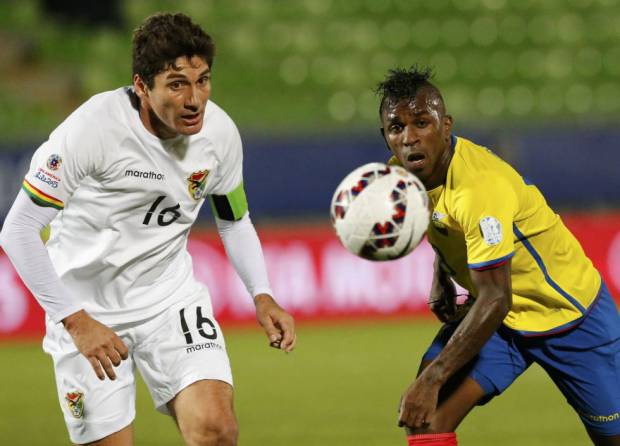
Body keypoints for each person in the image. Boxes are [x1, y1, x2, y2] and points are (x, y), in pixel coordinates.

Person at [0, 12, 296, 446]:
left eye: (203, 80)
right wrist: (76, 322)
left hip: (170, 302)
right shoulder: (92, 129)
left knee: (217, 430)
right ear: (141, 87)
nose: (195, 99)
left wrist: (262, 293)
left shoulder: (220, 134)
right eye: (177, 84)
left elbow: (234, 220)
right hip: (87, 310)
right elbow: (18, 230)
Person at [376, 66, 620, 446]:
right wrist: (442, 273)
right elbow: (444, 222)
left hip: (569, 316)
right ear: (385, 136)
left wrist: (434, 375)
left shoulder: (479, 189)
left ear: (446, 126)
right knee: (425, 417)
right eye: (396, 127)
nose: (409, 138)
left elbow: (496, 296)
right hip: (500, 324)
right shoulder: (401, 177)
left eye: (422, 122)